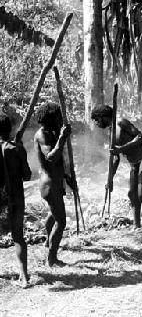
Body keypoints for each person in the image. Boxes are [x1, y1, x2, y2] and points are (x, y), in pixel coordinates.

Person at [91, 105, 142, 244]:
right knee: (132, 195)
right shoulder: (110, 133)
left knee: (141, 194)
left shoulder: (121, 122)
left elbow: (141, 137)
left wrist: (122, 148)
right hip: (134, 165)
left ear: (104, 116)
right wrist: (110, 179)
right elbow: (115, 158)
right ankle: (137, 225)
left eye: (97, 120)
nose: (96, 123)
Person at [33, 103, 72, 267]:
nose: (60, 120)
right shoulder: (42, 134)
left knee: (53, 213)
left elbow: (60, 162)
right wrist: (62, 137)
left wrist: (68, 178)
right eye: (57, 117)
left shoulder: (51, 132)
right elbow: (51, 158)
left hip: (56, 181)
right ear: (51, 119)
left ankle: (48, 243)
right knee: (61, 222)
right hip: (49, 184)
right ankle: (52, 259)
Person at [0, 113, 31, 287]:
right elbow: (27, 176)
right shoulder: (17, 149)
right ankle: (24, 277)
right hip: (15, 196)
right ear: (10, 129)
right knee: (18, 236)